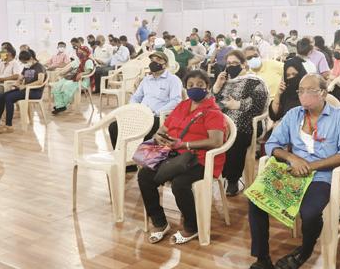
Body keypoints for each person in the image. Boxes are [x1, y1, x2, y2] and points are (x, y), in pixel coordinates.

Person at [238, 74, 340, 269]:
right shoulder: (293, 115)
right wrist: (291, 158)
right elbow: (271, 144)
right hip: (291, 172)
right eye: (300, 90)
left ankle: (305, 249)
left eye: (308, 90)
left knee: (310, 213)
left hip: (321, 175)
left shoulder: (339, 117)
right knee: (256, 200)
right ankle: (262, 260)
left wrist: (312, 166)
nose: (303, 95)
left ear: (322, 93)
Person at [138, 69, 226, 245]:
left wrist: (185, 145)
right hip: (176, 156)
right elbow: (165, 127)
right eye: (191, 85)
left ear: (208, 87)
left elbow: (216, 141)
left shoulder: (212, 111)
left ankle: (192, 227)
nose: (195, 88)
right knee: (144, 175)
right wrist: (159, 136)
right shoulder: (183, 106)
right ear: (185, 87)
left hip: (201, 160)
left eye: (200, 85)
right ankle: (159, 222)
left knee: (180, 183)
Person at [212, 50, 268, 196]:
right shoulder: (225, 80)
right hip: (223, 120)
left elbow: (257, 105)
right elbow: (213, 103)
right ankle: (213, 175)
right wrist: (217, 87)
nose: (231, 66)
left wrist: (237, 105)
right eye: (228, 63)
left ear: (244, 64)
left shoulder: (254, 81)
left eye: (235, 63)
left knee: (235, 137)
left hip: (245, 121)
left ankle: (232, 180)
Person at [108, 52, 183, 147]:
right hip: (141, 114)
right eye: (152, 61)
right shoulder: (147, 80)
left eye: (158, 60)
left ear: (166, 64)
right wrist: (135, 108)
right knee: (114, 127)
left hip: (158, 117)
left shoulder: (173, 80)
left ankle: (139, 155)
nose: (154, 63)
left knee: (142, 131)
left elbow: (175, 101)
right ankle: (121, 154)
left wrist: (156, 112)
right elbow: (136, 97)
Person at [0, 50, 46, 133]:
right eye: (22, 62)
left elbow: (40, 81)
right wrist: (16, 85)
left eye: (25, 61)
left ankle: (8, 126)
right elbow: (20, 78)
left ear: (31, 58)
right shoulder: (26, 67)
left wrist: (25, 86)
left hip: (34, 92)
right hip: (25, 90)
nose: (24, 63)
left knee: (9, 98)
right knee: (1, 97)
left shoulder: (39, 67)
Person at [51, 46, 94, 115]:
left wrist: (81, 73)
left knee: (66, 86)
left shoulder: (88, 60)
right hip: (72, 77)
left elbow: (89, 71)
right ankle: (59, 105)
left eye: (80, 51)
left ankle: (62, 105)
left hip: (82, 81)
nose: (78, 52)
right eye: (78, 51)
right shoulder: (77, 60)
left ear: (86, 53)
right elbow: (70, 68)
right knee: (57, 86)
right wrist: (62, 72)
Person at [269, 57, 307, 122]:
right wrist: (278, 94)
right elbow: (274, 115)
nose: (291, 78)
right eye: (288, 75)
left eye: (294, 74)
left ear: (301, 73)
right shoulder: (286, 92)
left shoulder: (309, 91)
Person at [0, 47, 23, 115]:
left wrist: (1, 79)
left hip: (7, 85)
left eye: (2, 52)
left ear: (9, 53)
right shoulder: (1, 64)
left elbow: (17, 76)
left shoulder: (15, 63)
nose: (0, 53)